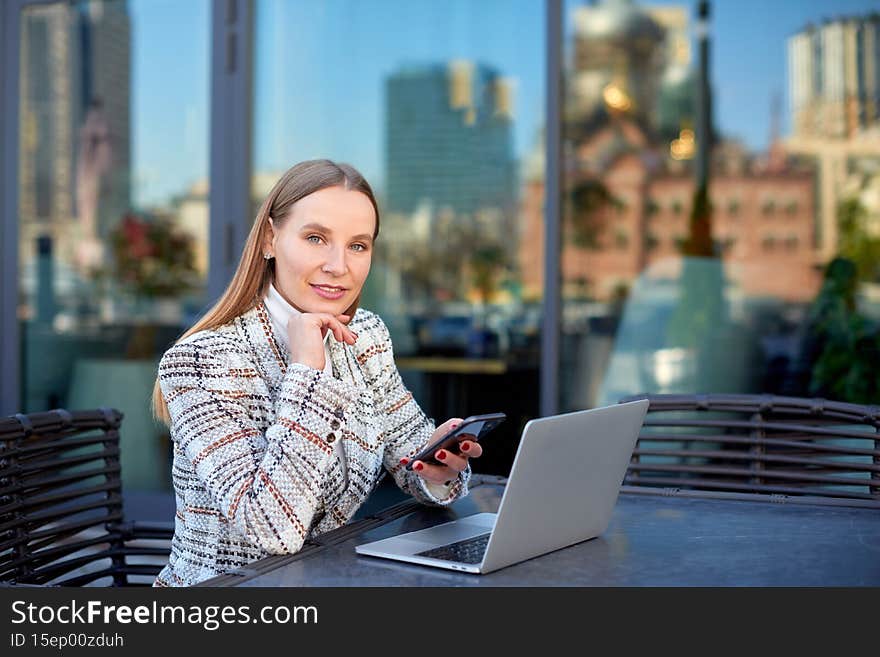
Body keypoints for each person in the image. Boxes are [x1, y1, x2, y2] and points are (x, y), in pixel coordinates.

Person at [151, 159, 483, 586]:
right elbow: (272, 528)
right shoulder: (203, 360)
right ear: (270, 239)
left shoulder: (365, 335)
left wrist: (437, 467)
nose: (338, 266)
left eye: (358, 246)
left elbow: (410, 456)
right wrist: (309, 374)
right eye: (315, 238)